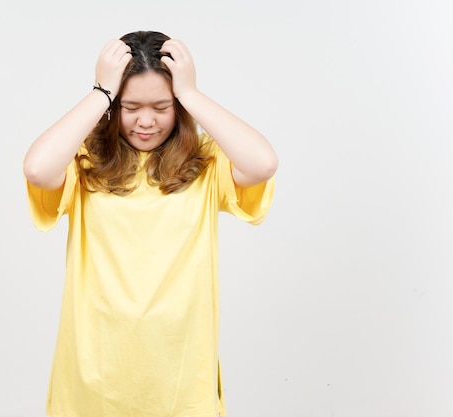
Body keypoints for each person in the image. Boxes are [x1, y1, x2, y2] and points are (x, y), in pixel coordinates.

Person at [23, 30, 278, 417]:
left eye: (161, 106)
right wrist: (100, 92)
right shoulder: (85, 160)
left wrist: (191, 94)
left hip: (182, 378)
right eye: (130, 106)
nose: (146, 121)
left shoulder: (207, 161)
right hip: (94, 376)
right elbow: (38, 170)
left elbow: (262, 163)